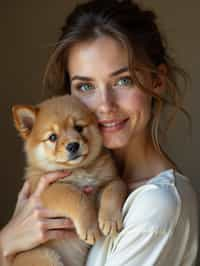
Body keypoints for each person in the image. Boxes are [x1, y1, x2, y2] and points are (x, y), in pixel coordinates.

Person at [0, 0, 199, 265]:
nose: (105, 105)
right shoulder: (95, 176)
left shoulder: (158, 208)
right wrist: (6, 243)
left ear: (157, 81)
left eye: (123, 80)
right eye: (85, 87)